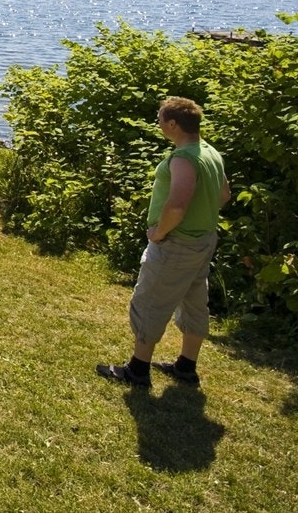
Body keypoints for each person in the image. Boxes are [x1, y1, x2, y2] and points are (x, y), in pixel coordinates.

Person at [97, 97, 230, 389]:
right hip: (203, 241)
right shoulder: (209, 152)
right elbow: (223, 196)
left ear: (172, 124)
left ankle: (137, 370)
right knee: (195, 301)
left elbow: (177, 205)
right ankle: (186, 366)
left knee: (150, 301)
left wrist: (159, 232)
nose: (158, 123)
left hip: (177, 243)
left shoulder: (183, 158)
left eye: (159, 119)